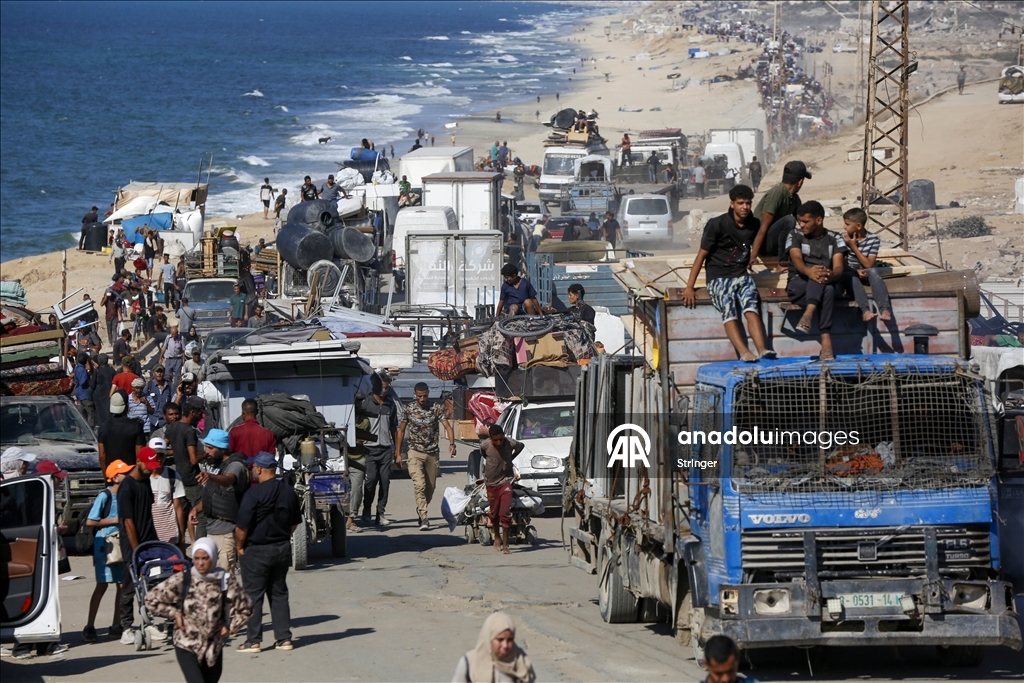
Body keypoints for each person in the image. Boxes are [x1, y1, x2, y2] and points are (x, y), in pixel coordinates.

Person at [681, 185, 775, 362]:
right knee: (728, 307)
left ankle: (762, 349)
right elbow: (701, 256)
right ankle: (744, 352)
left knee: (751, 307)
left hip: (741, 274)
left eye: (748, 203)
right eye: (740, 203)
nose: (745, 207)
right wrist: (689, 287)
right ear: (732, 204)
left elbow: (756, 245)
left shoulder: (754, 224)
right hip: (718, 276)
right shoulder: (717, 224)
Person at [144, 537, 253, 683]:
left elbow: (246, 607)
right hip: (186, 644)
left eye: (205, 558)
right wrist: (174, 613)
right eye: (196, 558)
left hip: (213, 647)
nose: (200, 563)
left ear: (213, 557)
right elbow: (151, 599)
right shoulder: (184, 578)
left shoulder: (224, 580)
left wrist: (230, 627)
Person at [234, 451, 301, 654]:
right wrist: (281, 537)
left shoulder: (253, 494)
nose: (253, 471)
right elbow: (295, 523)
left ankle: (253, 641)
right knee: (279, 593)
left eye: (254, 468)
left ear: (260, 469)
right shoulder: (289, 492)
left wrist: (239, 547)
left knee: (253, 596)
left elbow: (241, 528)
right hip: (281, 547)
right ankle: (284, 639)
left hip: (257, 550)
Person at [785, 201, 847, 361]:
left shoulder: (835, 238)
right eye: (800, 221)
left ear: (818, 220)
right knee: (822, 282)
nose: (801, 224)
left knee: (826, 285)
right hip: (799, 284)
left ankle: (809, 313)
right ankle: (826, 343)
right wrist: (808, 271)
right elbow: (797, 259)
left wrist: (831, 275)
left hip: (827, 282)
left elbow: (839, 266)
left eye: (806, 221)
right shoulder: (795, 234)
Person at [82, 459, 132, 643]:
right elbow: (91, 521)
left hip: (120, 544)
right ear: (115, 477)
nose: (127, 475)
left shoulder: (126, 494)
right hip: (105, 544)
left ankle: (116, 624)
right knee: (102, 585)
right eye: (124, 472)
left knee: (121, 584)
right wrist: (116, 520)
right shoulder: (105, 496)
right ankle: (89, 626)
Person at [117, 447, 160, 644]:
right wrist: (136, 551)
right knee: (129, 586)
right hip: (133, 547)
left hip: (148, 542)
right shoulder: (127, 486)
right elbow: (128, 522)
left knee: (149, 584)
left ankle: (148, 621)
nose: (152, 470)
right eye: (148, 466)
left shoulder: (146, 483)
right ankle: (126, 628)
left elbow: (148, 515)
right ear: (139, 462)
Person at [397, 383, 455, 530]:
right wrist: (397, 453)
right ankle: (424, 517)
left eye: (425, 396)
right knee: (419, 484)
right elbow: (401, 431)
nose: (422, 399)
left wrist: (452, 444)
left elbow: (447, 426)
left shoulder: (435, 407)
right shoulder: (408, 409)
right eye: (419, 396)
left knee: (430, 487)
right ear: (415, 394)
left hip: (432, 452)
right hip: (415, 451)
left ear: (428, 394)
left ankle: (421, 507)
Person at [189, 429, 248, 575]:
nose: (206, 452)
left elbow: (228, 480)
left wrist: (210, 476)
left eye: (210, 448)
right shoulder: (216, 468)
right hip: (212, 532)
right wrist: (196, 509)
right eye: (206, 447)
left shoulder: (235, 466)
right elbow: (214, 496)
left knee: (225, 580)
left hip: (226, 533)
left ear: (222, 449)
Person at [361, 372, 403, 527]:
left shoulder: (390, 404)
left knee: (385, 482)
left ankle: (380, 514)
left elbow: (394, 429)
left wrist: (397, 452)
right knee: (371, 480)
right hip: (369, 449)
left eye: (387, 387)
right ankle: (366, 510)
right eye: (383, 387)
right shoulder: (366, 403)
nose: (385, 390)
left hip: (385, 449)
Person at [750, 160, 811, 264]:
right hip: (763, 244)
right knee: (789, 220)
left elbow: (803, 222)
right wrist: (753, 255)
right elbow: (763, 227)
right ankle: (782, 262)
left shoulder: (794, 198)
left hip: (774, 241)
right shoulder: (777, 193)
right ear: (800, 182)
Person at [839, 207, 892, 323]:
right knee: (849, 275)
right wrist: (854, 271)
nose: (844, 227)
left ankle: (885, 309)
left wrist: (853, 247)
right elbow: (841, 263)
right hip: (850, 272)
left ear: (858, 226)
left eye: (847, 224)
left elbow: (869, 264)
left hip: (866, 271)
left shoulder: (873, 239)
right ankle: (865, 310)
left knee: (873, 272)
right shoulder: (841, 238)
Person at [452, 611, 536, 683]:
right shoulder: (469, 663)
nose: (505, 645)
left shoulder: (522, 662)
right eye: (500, 640)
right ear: (489, 638)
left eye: (510, 640)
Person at [480, 425, 524, 554]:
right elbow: (483, 454)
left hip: (506, 482)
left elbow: (520, 446)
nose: (498, 442)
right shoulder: (485, 445)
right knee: (494, 513)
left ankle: (506, 545)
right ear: (491, 438)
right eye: (495, 440)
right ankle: (497, 537)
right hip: (491, 483)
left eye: (501, 439)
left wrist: (511, 458)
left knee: (504, 513)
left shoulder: (510, 443)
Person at [166, 398, 204, 541]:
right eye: (200, 414)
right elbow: (193, 459)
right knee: (201, 515)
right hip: (191, 480)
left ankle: (181, 547)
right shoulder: (189, 431)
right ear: (192, 412)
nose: (201, 417)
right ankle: (201, 546)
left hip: (177, 479)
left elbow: (163, 445)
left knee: (181, 516)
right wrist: (206, 454)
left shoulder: (172, 427)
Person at [147, 437, 186, 548]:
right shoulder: (142, 477)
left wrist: (182, 536)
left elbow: (178, 508)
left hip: (169, 537)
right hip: (148, 536)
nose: (158, 458)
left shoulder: (173, 477)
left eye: (161, 455)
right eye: (155, 455)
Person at [98, 391, 145, 471]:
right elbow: (140, 455)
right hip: (130, 474)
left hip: (112, 475)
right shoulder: (136, 426)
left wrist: (106, 478)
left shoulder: (103, 427)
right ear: (127, 405)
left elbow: (102, 456)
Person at [229, 399, 277, 469]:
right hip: (260, 474)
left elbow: (228, 454)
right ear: (257, 412)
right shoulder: (269, 434)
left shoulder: (234, 431)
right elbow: (271, 458)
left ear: (242, 412)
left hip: (241, 473)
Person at [146, 365, 174, 432]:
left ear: (164, 373)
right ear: (153, 373)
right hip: (152, 421)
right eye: (157, 372)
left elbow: (173, 401)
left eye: (161, 372)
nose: (159, 374)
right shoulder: (149, 385)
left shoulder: (169, 386)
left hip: (165, 422)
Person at [93, 353, 116, 426]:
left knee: (101, 414)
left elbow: (92, 383)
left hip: (99, 395)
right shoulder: (112, 370)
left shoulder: (97, 371)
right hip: (110, 394)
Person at [74, 351, 95, 427]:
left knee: (82, 414)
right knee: (91, 414)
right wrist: (90, 380)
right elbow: (83, 381)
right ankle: (91, 431)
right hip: (85, 394)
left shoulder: (77, 368)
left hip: (79, 394)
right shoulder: (82, 370)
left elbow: (75, 380)